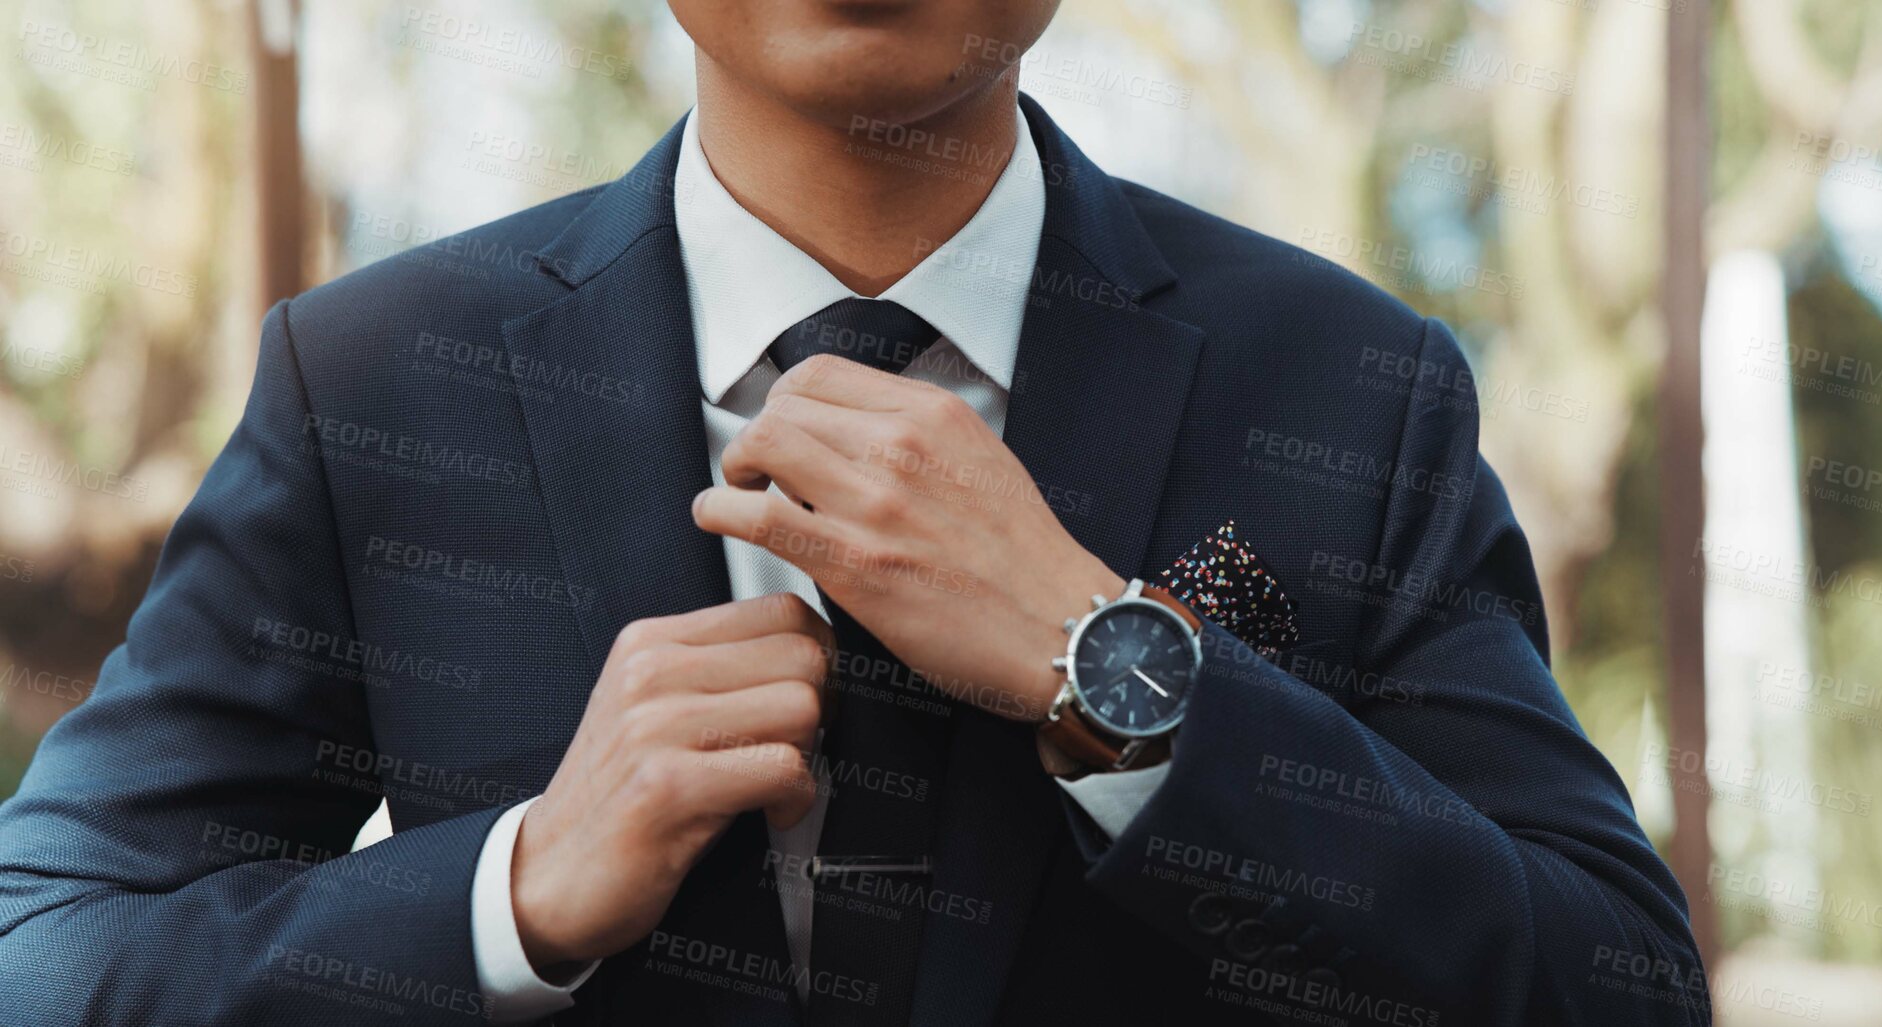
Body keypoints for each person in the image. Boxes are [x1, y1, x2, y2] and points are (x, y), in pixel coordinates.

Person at [0, 1, 1708, 1024]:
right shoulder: (373, 380)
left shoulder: (1350, 386)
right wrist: (512, 892)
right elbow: (47, 958)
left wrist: (1115, 669)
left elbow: (1617, 986)